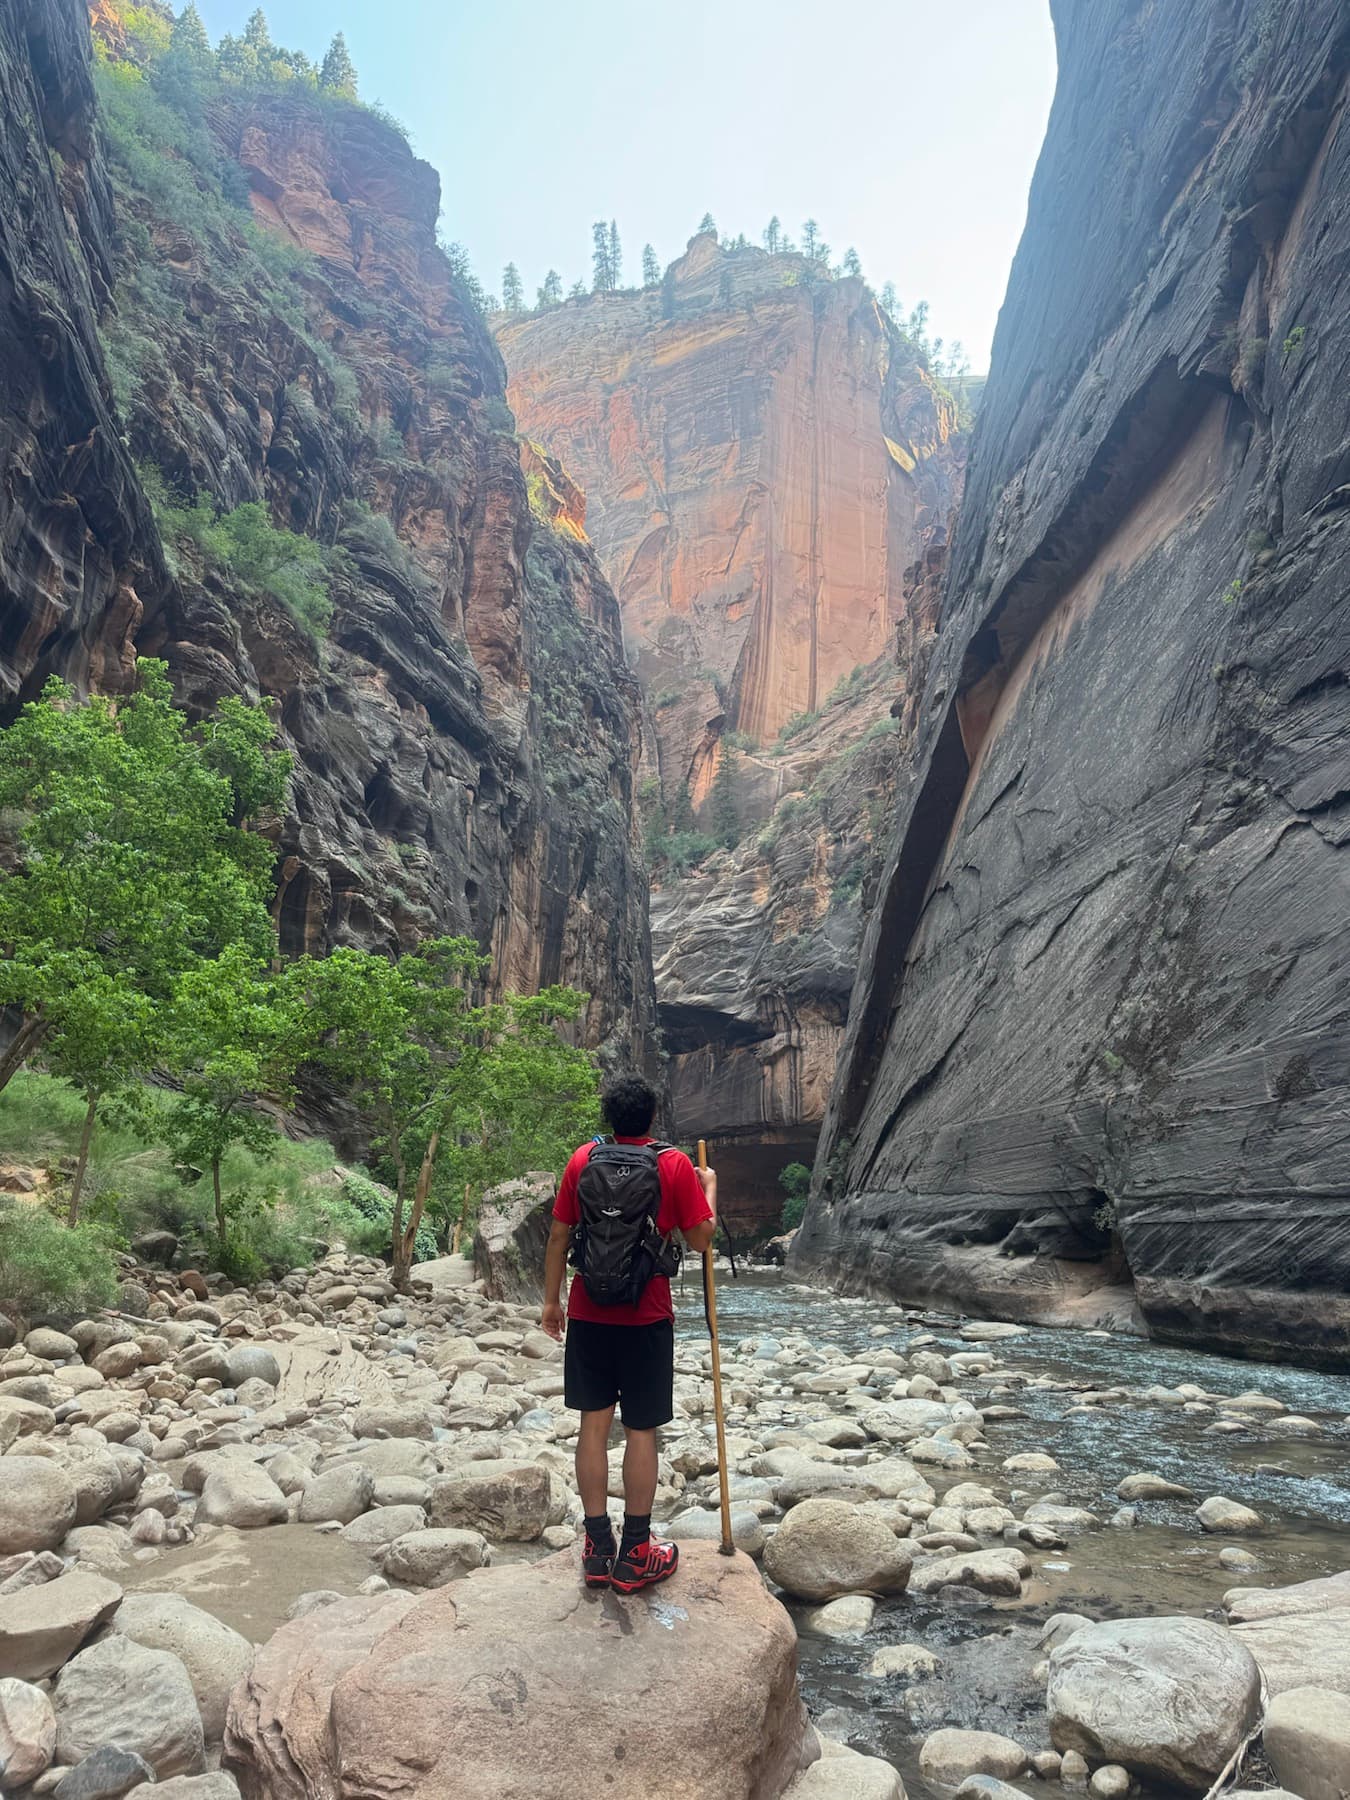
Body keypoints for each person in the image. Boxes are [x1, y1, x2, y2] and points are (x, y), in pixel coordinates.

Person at [542, 1072, 716, 1593]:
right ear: (653, 1117)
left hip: (590, 1313)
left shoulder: (582, 1160)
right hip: (646, 1316)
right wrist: (709, 1189)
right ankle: (637, 1553)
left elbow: (557, 1235)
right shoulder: (674, 1164)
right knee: (642, 1430)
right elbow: (702, 1239)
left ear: (609, 1119)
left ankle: (598, 1549)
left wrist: (552, 1301)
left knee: (592, 1428)